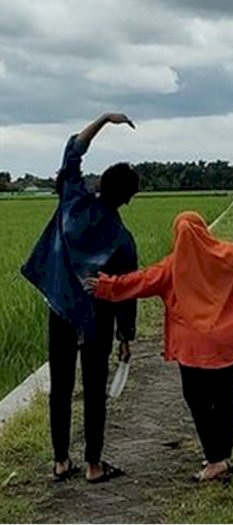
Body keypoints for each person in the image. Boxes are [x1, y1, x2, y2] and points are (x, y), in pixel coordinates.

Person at [85, 211, 233, 482]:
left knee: (198, 401)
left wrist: (104, 285)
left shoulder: (170, 268)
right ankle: (223, 454)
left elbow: (138, 282)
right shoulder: (229, 254)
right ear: (204, 231)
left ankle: (216, 460)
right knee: (224, 398)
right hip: (231, 345)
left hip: (194, 349)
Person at [21, 113, 140, 483]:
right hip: (97, 318)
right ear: (128, 199)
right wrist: (126, 337)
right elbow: (125, 291)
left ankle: (60, 462)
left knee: (61, 386)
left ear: (101, 183)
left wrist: (104, 119)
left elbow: (72, 152)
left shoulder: (73, 201)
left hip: (61, 309)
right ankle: (93, 465)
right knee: (93, 389)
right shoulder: (122, 239)